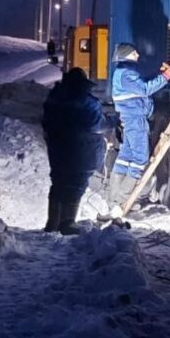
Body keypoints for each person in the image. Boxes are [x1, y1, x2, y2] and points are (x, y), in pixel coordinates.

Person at [105, 42, 170, 218]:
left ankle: (114, 199)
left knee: (125, 157)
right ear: (126, 55)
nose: (137, 54)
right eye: (134, 53)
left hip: (131, 120)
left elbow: (142, 82)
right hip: (135, 120)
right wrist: (166, 76)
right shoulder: (127, 74)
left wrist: (161, 73)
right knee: (140, 159)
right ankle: (123, 198)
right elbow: (145, 88)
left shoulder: (124, 73)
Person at [41, 68, 110, 233]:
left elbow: (46, 121)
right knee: (76, 184)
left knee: (58, 182)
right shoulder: (86, 102)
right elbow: (96, 125)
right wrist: (112, 122)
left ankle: (52, 223)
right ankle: (68, 223)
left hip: (57, 147)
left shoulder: (55, 96)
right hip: (80, 150)